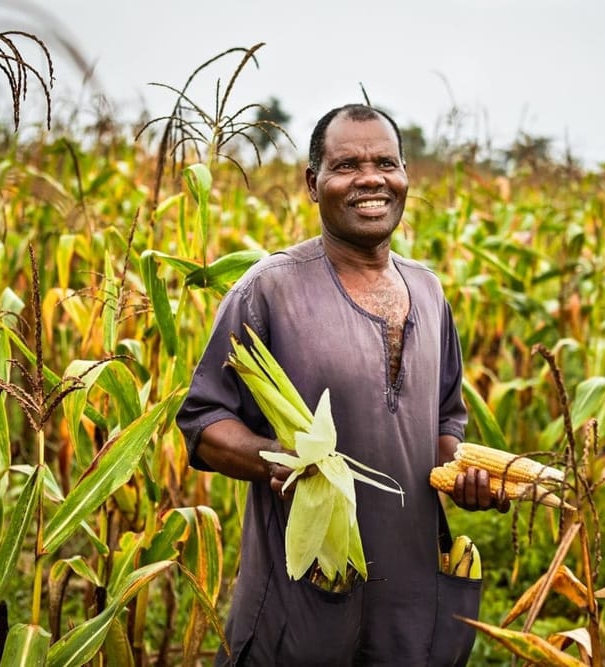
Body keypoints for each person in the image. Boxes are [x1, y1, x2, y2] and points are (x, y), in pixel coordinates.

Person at [176, 103, 507, 666]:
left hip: (411, 609)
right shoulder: (269, 291)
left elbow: (444, 419)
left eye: (386, 162)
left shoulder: (429, 290)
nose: (371, 178)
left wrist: (464, 474)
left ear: (405, 176)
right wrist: (280, 459)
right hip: (300, 610)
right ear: (313, 183)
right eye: (347, 165)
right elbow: (204, 422)